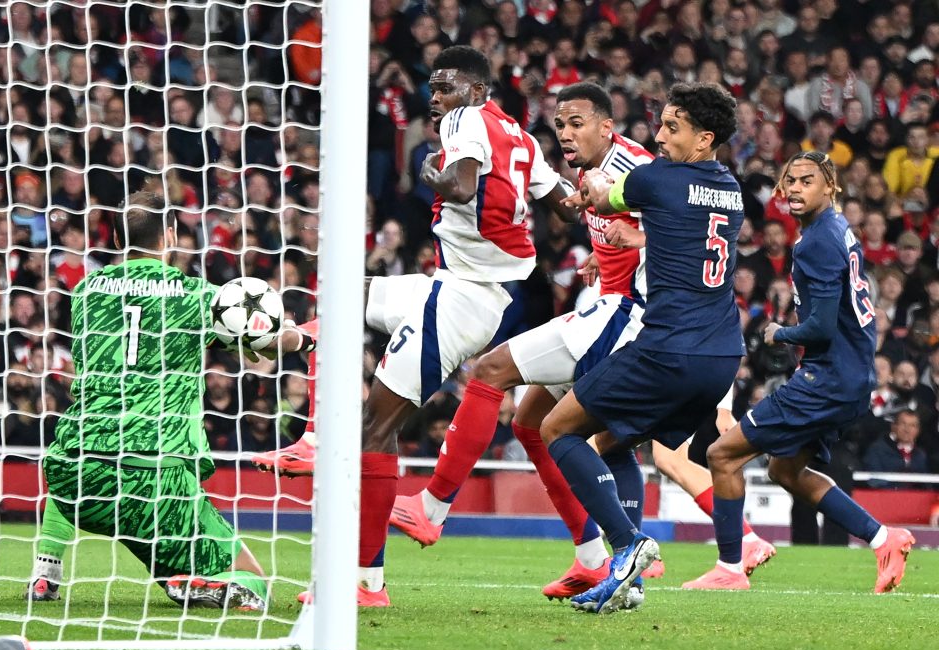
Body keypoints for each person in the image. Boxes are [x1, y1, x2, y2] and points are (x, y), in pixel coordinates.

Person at [386, 82, 774, 601]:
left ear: (606, 127)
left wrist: (620, 229)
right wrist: (611, 249)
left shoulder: (637, 168)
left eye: (576, 124)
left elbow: (640, 208)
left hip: (630, 316)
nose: (565, 135)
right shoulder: (714, 182)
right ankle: (597, 558)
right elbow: (687, 225)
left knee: (496, 374)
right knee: (550, 427)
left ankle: (435, 506)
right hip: (680, 330)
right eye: (560, 125)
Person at [260, 46, 574, 607]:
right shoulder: (522, 138)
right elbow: (566, 205)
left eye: (446, 87)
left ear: (477, 91)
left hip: (462, 298)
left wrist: (430, 169)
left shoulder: (464, 120)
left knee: (374, 428)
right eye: (432, 88)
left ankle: (365, 583)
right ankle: (311, 424)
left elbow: (461, 186)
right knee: (347, 296)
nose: (436, 98)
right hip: (467, 287)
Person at [26, 191, 315, 610]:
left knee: (83, 442)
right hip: (154, 483)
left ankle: (45, 571)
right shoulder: (193, 295)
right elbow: (268, 341)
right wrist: (303, 337)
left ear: (118, 237)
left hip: (75, 477)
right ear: (171, 234)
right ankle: (203, 581)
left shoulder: (86, 291)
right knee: (254, 584)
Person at [542, 82, 747, 614]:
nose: (659, 136)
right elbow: (680, 232)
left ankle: (628, 545)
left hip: (668, 349)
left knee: (557, 429)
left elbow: (600, 195)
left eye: (672, 128)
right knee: (613, 441)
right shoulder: (732, 189)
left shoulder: (656, 178)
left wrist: (588, 190)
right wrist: (639, 239)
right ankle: (630, 582)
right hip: (722, 355)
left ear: (704, 139)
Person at [684, 151, 915, 593]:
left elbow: (822, 327)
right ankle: (884, 539)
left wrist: (780, 333)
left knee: (721, 455)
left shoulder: (816, 242)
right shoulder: (836, 228)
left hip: (827, 379)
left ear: (830, 186)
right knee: (784, 471)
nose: (794, 188)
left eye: (806, 181)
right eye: (789, 180)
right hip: (850, 376)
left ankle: (730, 566)